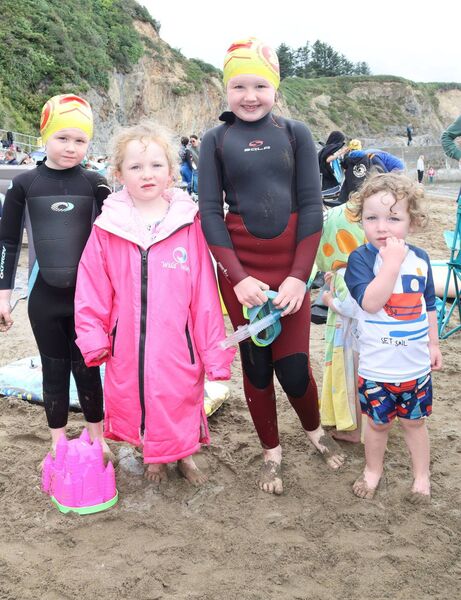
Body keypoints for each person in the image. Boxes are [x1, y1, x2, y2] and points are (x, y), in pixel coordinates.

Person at [198, 37, 345, 496]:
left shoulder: (295, 133)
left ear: (274, 88)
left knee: (295, 368)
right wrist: (238, 281)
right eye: (238, 86)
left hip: (292, 273)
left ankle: (314, 430)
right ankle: (271, 451)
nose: (249, 96)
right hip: (242, 275)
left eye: (259, 85)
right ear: (226, 90)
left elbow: (311, 206)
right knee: (256, 366)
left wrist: (300, 277)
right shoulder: (215, 140)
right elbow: (209, 214)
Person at [74, 122, 235, 485]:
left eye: (156, 165)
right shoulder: (108, 226)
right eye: (135, 167)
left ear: (171, 171)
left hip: (179, 341)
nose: (147, 174)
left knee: (179, 396)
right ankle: (154, 457)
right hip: (127, 342)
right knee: (140, 397)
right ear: (118, 173)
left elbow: (205, 294)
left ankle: (185, 455)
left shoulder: (187, 223)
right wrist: (95, 339)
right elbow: (91, 287)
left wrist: (213, 351)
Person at [0, 94, 111, 457]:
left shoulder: (96, 183)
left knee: (88, 365)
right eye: (62, 137)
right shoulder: (25, 185)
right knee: (54, 367)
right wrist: (3, 296)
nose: (71, 147)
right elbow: (8, 242)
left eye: (80, 140)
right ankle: (58, 442)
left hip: (88, 297)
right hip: (42, 295)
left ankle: (98, 438)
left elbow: (116, 240)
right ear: (44, 134)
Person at [345, 172, 442, 503]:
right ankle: (373, 471)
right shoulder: (360, 259)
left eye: (393, 218)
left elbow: (429, 304)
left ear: (411, 223)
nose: (381, 227)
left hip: (414, 368)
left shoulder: (422, 259)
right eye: (372, 218)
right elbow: (371, 303)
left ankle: (422, 477)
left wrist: (433, 344)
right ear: (362, 222)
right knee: (378, 426)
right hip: (377, 369)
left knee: (415, 425)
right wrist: (391, 263)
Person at [316, 202, 366, 443]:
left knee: (350, 383)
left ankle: (353, 431)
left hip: (347, 339)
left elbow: (349, 307)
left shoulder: (347, 272)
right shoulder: (366, 265)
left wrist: (328, 299)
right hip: (363, 338)